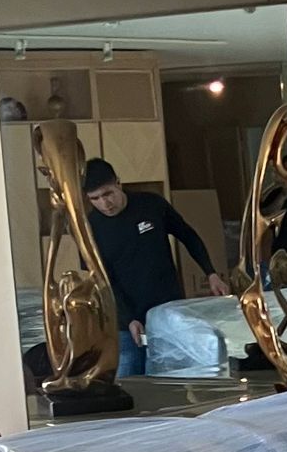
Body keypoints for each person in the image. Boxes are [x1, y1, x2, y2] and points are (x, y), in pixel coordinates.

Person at [81, 161, 228, 376]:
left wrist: (211, 272)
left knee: (166, 378)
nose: (105, 204)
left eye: (108, 194)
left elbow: (187, 235)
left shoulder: (150, 205)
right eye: (95, 199)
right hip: (125, 318)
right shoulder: (90, 228)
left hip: (166, 308)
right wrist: (128, 318)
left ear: (118, 184)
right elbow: (102, 280)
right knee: (129, 380)